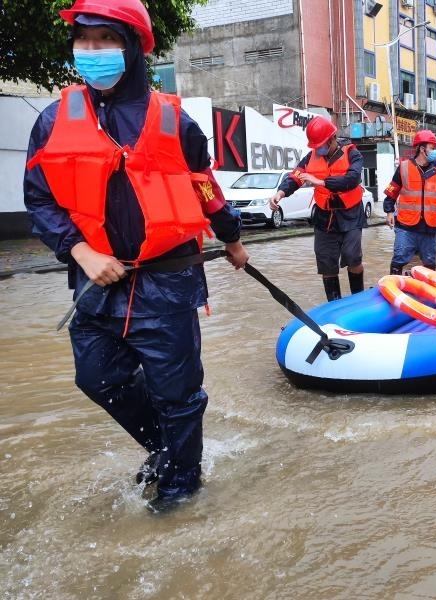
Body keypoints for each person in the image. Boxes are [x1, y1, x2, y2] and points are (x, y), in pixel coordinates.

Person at [23, 0, 249, 512]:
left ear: (132, 47)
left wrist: (231, 237)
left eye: (105, 39)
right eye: (84, 40)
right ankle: (170, 450)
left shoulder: (173, 119)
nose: (92, 51)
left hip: (166, 285)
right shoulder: (55, 117)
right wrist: (80, 251)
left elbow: (204, 186)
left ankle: (178, 497)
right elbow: (39, 198)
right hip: (95, 286)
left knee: (179, 396)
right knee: (97, 378)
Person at [270, 117, 365, 301]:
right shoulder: (311, 157)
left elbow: (352, 179)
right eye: (315, 145)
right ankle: (334, 304)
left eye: (321, 144)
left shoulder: (352, 153)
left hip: (350, 214)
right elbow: (296, 176)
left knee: (352, 257)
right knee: (326, 264)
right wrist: (280, 193)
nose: (318, 149)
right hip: (324, 216)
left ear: (332, 138)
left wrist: (321, 182)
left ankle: (358, 299)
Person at [383, 130, 436, 274]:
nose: (435, 151)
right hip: (406, 225)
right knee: (399, 259)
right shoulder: (404, 168)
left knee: (429, 264)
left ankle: (426, 291)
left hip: (429, 227)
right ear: (422, 149)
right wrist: (389, 211)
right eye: (432, 148)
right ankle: (393, 287)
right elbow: (392, 191)